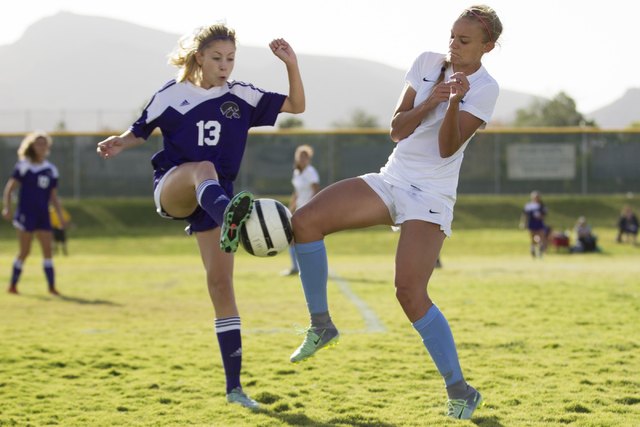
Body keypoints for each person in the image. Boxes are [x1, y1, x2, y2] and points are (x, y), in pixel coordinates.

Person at [288, 5, 501, 420]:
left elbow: (446, 147)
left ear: (487, 47)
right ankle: (321, 324)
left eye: (464, 41)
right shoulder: (426, 62)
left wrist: (454, 103)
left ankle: (461, 390)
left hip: (432, 195)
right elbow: (397, 129)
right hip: (393, 179)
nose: (453, 47)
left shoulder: (487, 88)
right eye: (452, 37)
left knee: (409, 292)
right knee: (304, 222)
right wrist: (430, 101)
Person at [96, 23, 305, 408]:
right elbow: (140, 130)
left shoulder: (241, 95)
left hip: (216, 199)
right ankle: (232, 217)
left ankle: (235, 389)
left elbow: (296, 106)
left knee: (222, 288)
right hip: (175, 188)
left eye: (230, 59)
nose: (225, 66)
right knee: (201, 167)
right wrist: (118, 143)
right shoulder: (172, 94)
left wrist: (290, 63)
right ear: (198, 58)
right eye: (216, 58)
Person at [2, 131, 66, 295]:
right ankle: (13, 285)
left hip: (43, 213)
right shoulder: (24, 165)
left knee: (48, 250)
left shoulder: (51, 169)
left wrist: (60, 216)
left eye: (44, 143)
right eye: (38, 143)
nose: (41, 146)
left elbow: (53, 196)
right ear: (32, 146)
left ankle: (51, 287)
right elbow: (10, 189)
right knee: (25, 251)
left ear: (48, 146)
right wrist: (7, 207)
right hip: (26, 213)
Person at [281, 144, 319, 276]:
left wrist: (311, 208)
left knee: (306, 239)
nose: (303, 159)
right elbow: (296, 194)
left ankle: (309, 267)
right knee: (292, 239)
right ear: (296, 158)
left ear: (308, 159)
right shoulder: (296, 173)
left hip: (307, 211)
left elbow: (316, 191)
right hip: (299, 210)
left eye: (305, 157)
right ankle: (296, 268)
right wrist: (289, 209)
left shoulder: (310, 172)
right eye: (300, 156)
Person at [519, 190, 547, 258]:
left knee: (541, 237)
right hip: (532, 223)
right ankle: (533, 249)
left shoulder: (542, 205)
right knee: (533, 238)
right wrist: (522, 223)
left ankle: (540, 251)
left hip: (539, 223)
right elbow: (525, 215)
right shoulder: (529, 205)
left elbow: (544, 214)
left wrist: (540, 216)